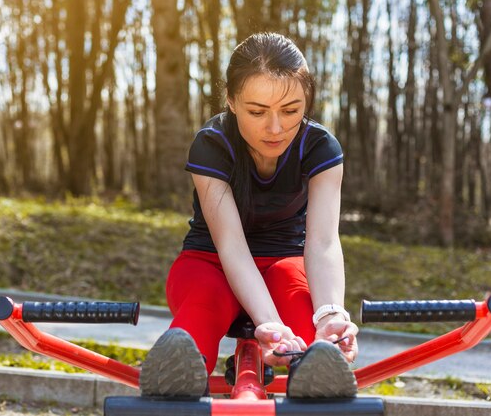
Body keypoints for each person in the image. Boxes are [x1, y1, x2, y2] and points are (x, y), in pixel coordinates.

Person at [140, 32, 358, 399]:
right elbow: (232, 246)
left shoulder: (321, 148)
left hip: (286, 264)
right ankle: (172, 381)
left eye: (291, 110)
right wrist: (269, 323)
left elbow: (321, 243)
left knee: (313, 335)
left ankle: (318, 373)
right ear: (231, 101)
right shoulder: (212, 143)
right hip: (211, 264)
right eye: (257, 112)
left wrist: (330, 315)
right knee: (198, 318)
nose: (276, 128)